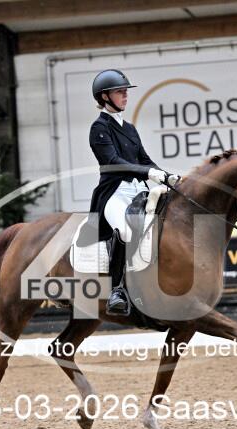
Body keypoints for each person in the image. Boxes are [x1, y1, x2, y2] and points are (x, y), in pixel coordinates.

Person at [78, 69, 179, 316]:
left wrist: (166, 175)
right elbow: (113, 161)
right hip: (115, 192)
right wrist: (148, 173)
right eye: (120, 92)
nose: (125, 96)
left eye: (126, 92)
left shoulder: (130, 128)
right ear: (104, 97)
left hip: (139, 190)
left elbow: (144, 159)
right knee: (125, 230)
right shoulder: (99, 128)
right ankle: (118, 290)